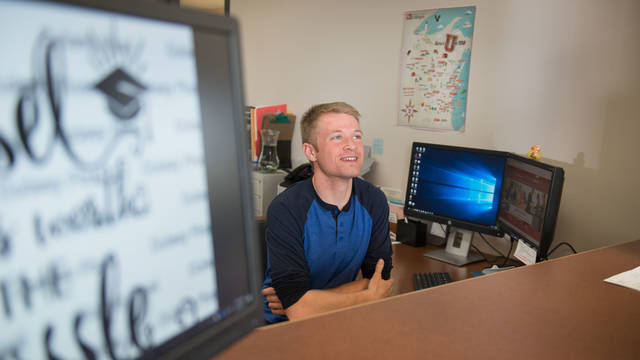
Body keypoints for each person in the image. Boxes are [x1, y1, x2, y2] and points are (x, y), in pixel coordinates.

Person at [261, 102, 393, 324]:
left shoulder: (374, 201)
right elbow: (298, 313)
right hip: (280, 326)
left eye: (357, 136)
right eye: (337, 137)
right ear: (311, 151)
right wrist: (368, 296)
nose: (351, 145)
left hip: (340, 317)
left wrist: (308, 301)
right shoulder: (286, 209)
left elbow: (382, 279)